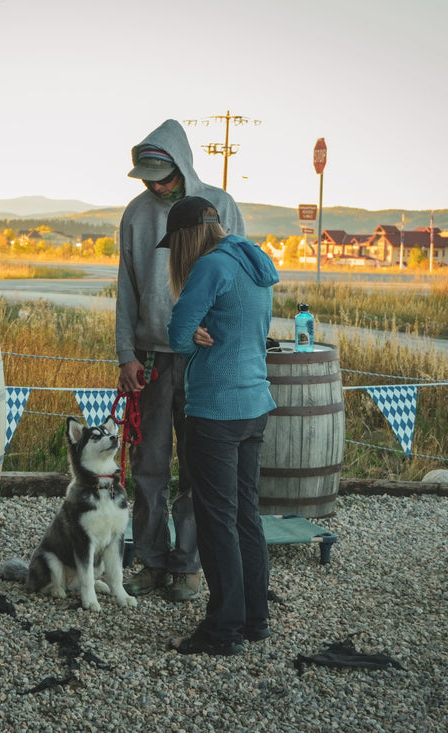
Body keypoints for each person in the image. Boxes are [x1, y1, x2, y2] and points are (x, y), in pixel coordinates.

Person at [117, 119, 246, 602]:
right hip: (150, 360)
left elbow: (237, 275)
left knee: (198, 467)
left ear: (182, 164)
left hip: (205, 359)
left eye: (163, 175)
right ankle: (149, 563)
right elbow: (125, 290)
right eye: (147, 176)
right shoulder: (135, 213)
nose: (155, 184)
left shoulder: (222, 205)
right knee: (149, 467)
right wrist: (125, 353)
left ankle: (189, 565)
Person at [158, 196, 279, 656]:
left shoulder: (210, 267)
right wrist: (199, 331)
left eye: (175, 244)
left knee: (216, 522)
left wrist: (193, 337)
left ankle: (221, 629)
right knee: (246, 514)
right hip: (254, 404)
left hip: (215, 411)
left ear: (187, 236)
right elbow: (251, 329)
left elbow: (176, 333)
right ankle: (254, 618)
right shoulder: (255, 261)